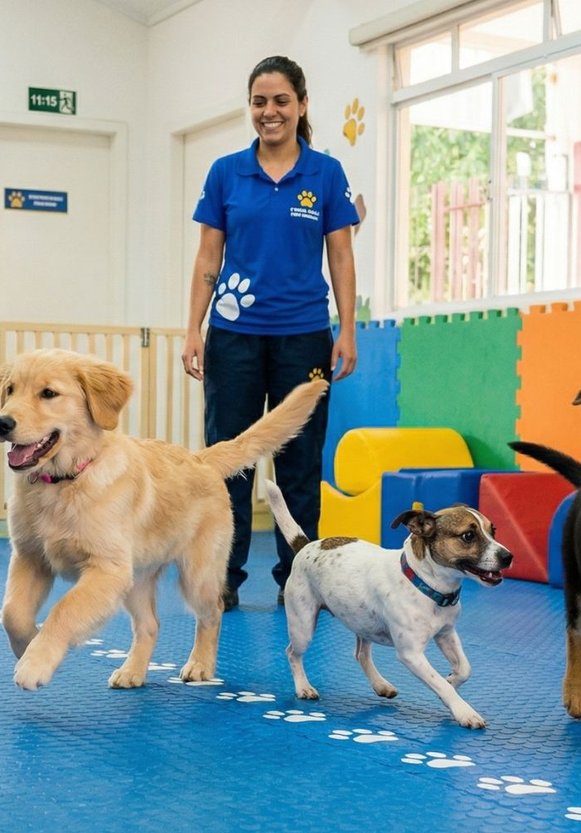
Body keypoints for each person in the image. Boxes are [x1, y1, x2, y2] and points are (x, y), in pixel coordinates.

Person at [182, 55, 359, 612]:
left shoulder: (326, 173)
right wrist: (194, 328)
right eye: (260, 101)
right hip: (233, 337)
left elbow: (341, 255)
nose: (270, 111)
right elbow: (208, 255)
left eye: (281, 100)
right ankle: (223, 576)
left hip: (304, 336)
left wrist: (347, 329)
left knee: (301, 462)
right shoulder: (225, 172)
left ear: (302, 104)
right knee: (226, 460)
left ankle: (299, 579)